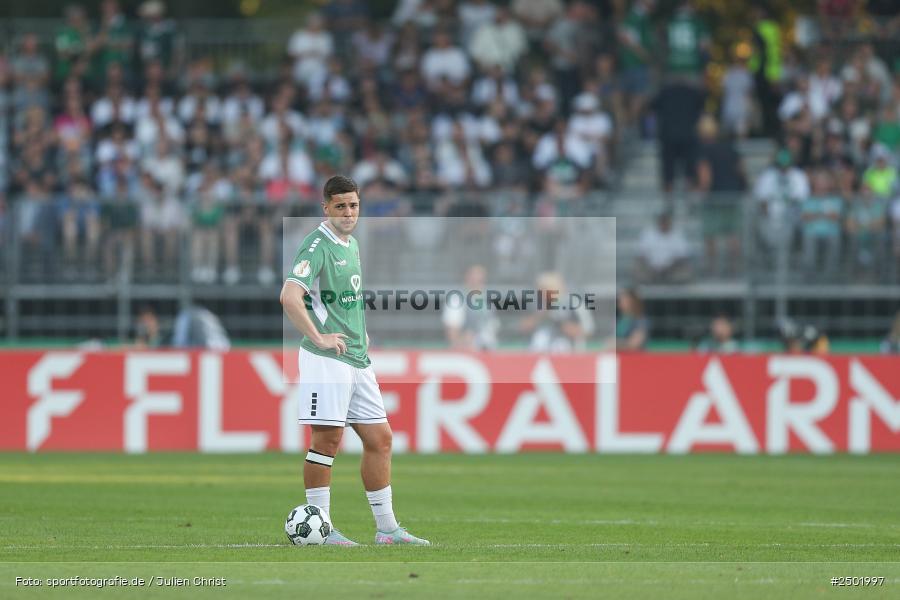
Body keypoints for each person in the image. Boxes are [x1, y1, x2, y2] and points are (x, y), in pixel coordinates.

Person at [280, 175, 430, 546]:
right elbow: (289, 296)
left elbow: (344, 298)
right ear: (326, 207)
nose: (348, 213)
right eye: (341, 206)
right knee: (328, 440)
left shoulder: (351, 244)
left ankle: (387, 529)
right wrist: (319, 336)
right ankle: (322, 529)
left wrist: (360, 332)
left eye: (354, 206)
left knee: (380, 439)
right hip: (326, 358)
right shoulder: (316, 244)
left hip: (357, 358)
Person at [442, 264, 500, 350]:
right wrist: (463, 341)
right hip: (468, 349)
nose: (477, 283)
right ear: (467, 278)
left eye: (480, 280)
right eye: (473, 280)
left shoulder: (488, 300)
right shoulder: (457, 299)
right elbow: (452, 331)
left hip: (488, 348)